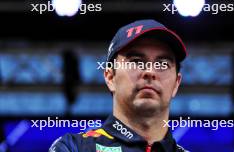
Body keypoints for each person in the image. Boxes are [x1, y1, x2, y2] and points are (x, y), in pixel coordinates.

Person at [49, 19, 188, 152]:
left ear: (177, 83)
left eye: (163, 64)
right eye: (136, 62)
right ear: (110, 77)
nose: (150, 72)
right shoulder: (74, 147)